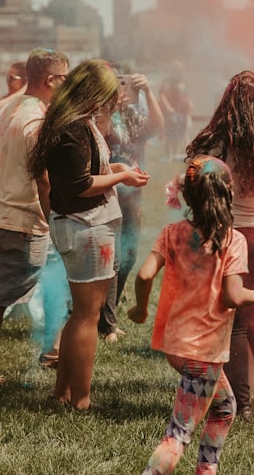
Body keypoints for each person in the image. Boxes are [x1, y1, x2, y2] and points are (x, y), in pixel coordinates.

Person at [128, 155, 254, 475]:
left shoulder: (172, 232)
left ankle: (206, 470)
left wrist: (140, 308)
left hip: (176, 344)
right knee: (177, 434)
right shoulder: (232, 239)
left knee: (225, 408)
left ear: (187, 196)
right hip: (203, 351)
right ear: (228, 194)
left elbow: (144, 275)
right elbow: (233, 296)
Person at [30, 58, 150, 410]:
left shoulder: (75, 124)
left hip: (84, 226)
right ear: (95, 94)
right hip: (87, 227)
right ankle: (81, 400)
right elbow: (82, 185)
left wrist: (117, 168)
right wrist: (122, 178)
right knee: (87, 315)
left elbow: (82, 172)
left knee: (79, 313)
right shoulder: (74, 129)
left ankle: (63, 392)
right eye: (110, 94)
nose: (113, 101)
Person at [186, 70, 254, 421]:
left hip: (233, 236)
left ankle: (241, 404)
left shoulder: (220, 142)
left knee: (234, 320)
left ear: (228, 104)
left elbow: (199, 183)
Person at [0, 48, 69, 384]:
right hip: (26, 219)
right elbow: (43, 180)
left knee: (54, 282)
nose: (67, 86)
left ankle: (52, 353)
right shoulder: (35, 122)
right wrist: (57, 219)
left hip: (4, 212)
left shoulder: (11, 106)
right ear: (51, 80)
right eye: (64, 79)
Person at [99, 71, 164, 343]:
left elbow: (157, 127)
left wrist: (148, 93)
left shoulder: (132, 116)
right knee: (110, 258)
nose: (124, 91)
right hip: (107, 191)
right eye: (119, 85)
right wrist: (111, 104)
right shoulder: (101, 115)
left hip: (132, 193)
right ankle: (107, 323)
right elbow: (103, 135)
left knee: (127, 254)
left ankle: (107, 317)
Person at [158, 62, 193, 163]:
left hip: (181, 112)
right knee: (169, 134)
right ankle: (168, 155)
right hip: (170, 113)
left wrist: (189, 108)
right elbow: (162, 95)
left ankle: (175, 154)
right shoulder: (167, 81)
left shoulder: (184, 81)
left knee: (179, 134)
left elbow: (187, 96)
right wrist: (168, 107)